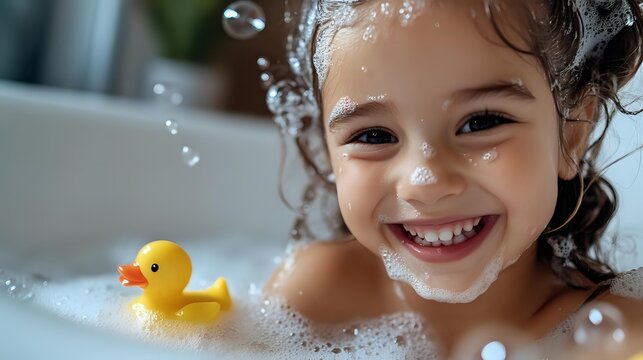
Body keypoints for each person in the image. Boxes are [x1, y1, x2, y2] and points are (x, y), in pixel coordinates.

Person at [265, 0, 643, 357]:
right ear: (327, 151)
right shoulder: (311, 298)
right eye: (374, 136)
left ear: (571, 134)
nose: (425, 181)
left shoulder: (620, 335)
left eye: (481, 122)